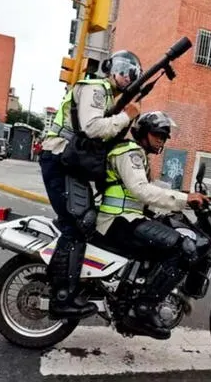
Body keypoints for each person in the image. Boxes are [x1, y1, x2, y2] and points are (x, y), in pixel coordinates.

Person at [39, 50, 143, 320]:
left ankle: (65, 283)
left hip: (68, 162)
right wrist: (126, 115)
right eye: (122, 69)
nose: (125, 75)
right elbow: (92, 128)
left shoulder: (107, 95)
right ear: (109, 68)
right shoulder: (95, 88)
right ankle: (62, 298)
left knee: (84, 222)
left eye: (131, 73)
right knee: (75, 226)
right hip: (58, 156)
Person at [96, 111, 210, 339]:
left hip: (126, 219)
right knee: (182, 248)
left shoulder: (138, 155)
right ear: (143, 133)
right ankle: (144, 308)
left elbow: (141, 196)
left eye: (165, 136)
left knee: (169, 235)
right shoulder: (130, 153)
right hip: (118, 222)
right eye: (158, 134)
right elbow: (141, 190)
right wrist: (184, 199)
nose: (162, 140)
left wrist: (179, 203)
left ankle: (137, 294)